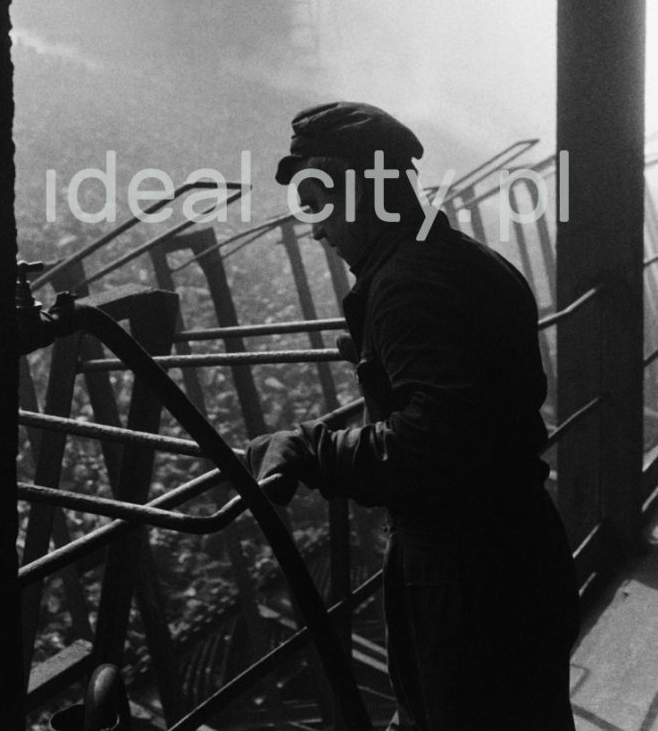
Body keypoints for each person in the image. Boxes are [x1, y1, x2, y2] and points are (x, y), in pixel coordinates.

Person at [247, 101, 579, 731]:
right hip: (518, 547)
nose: (315, 229)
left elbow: (434, 440)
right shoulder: (469, 261)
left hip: (465, 576)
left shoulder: (408, 285)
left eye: (316, 202)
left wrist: (314, 449)